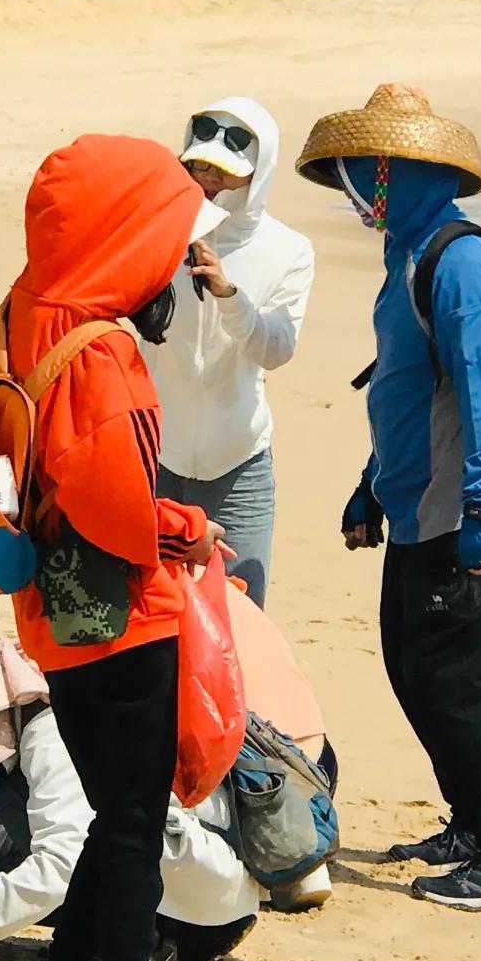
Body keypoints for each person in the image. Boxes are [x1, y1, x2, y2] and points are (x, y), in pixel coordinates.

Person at [0, 134, 222, 961]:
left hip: (46, 604)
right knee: (131, 819)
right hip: (124, 612)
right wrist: (187, 526)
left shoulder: (14, 318)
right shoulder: (103, 351)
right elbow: (118, 506)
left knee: (112, 811)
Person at [296, 84, 481, 917]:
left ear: (401, 170)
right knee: (415, 669)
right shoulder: (409, 254)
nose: (355, 193)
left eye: (363, 174)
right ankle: (471, 826)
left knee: (454, 679)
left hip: (462, 510)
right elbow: (407, 389)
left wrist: (480, 512)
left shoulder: (462, 262)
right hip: (418, 506)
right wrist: (372, 485)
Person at [0, 607, 261, 961]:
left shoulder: (50, 729)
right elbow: (56, 821)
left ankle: (162, 940)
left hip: (204, 899)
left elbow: (64, 860)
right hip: (165, 873)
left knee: (95, 854)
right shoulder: (19, 719)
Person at [140, 97, 314, 605]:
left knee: (241, 619)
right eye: (198, 167)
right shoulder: (158, 229)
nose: (208, 181)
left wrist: (229, 297)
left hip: (239, 465)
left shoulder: (289, 249)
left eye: (225, 173)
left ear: (258, 175)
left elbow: (277, 349)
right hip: (155, 458)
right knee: (150, 619)